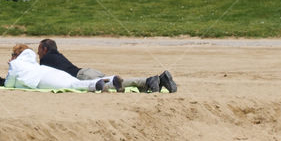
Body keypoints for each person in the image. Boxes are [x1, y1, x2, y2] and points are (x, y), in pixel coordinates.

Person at [36, 39, 178, 93]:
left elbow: (36, 73)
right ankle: (157, 80)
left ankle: (148, 81)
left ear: (45, 49)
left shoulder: (45, 59)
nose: (38, 53)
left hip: (82, 76)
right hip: (87, 71)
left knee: (113, 85)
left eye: (39, 50)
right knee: (116, 83)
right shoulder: (57, 55)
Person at [6, 44, 117, 91]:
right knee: (73, 82)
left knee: (73, 85)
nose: (11, 57)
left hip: (42, 80)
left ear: (17, 55)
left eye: (13, 55)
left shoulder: (15, 64)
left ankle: (98, 84)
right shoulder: (32, 63)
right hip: (50, 72)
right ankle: (111, 80)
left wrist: (11, 65)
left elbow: (9, 85)